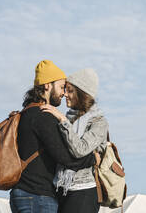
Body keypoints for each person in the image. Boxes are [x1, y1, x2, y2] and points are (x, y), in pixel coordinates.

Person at [10, 60, 96, 213]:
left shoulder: (27, 113)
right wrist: (93, 159)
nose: (63, 93)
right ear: (47, 85)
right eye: (62, 87)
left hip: (24, 195)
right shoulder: (43, 115)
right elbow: (65, 157)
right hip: (37, 197)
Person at [40, 68, 108, 213]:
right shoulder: (68, 118)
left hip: (83, 192)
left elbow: (80, 149)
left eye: (70, 91)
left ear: (82, 94)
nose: (65, 94)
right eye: (65, 90)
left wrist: (63, 121)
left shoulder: (98, 122)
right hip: (61, 189)